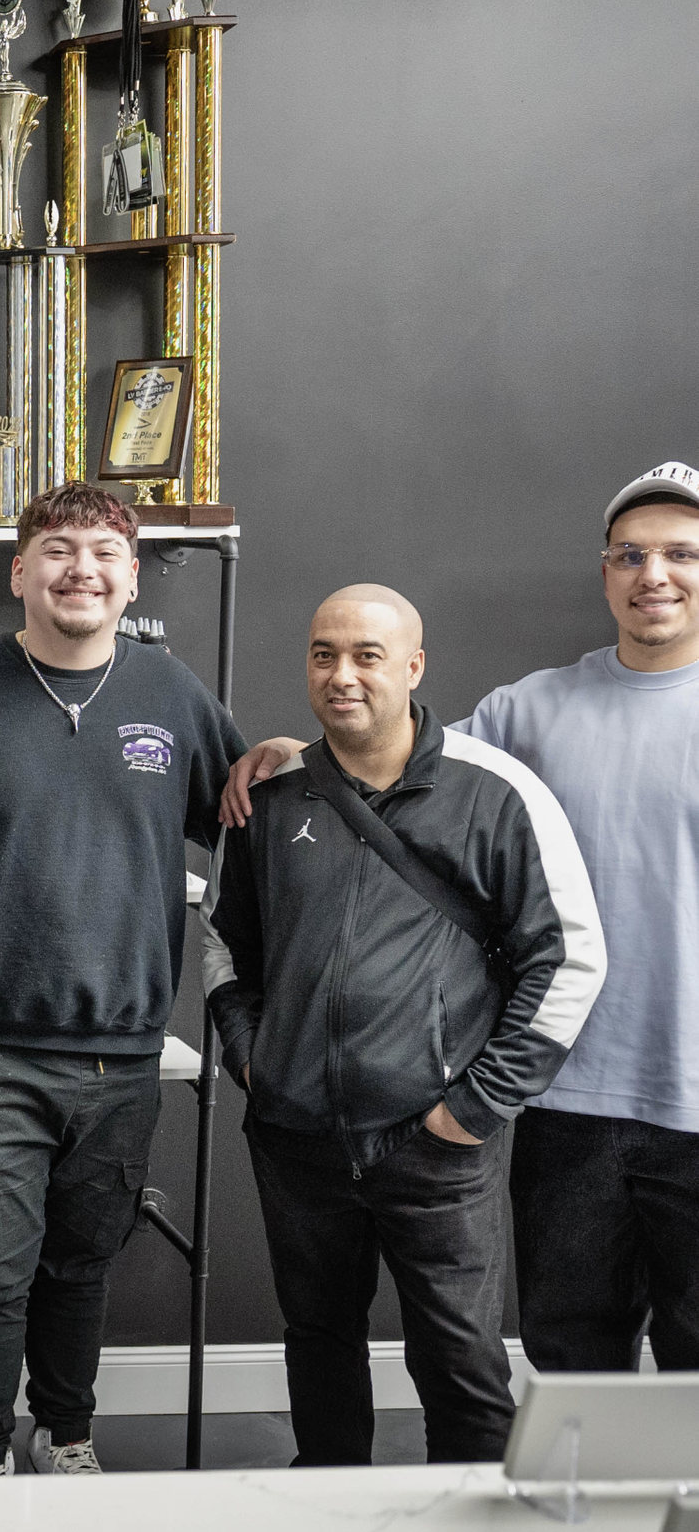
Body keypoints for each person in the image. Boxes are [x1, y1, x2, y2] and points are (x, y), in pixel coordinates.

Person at [225, 462, 699, 1373]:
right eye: (632, 554)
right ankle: (579, 1523)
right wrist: (295, 753)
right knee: (572, 1354)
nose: (654, 574)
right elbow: (393, 764)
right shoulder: (528, 712)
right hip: (566, 1102)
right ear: (605, 570)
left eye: (680, 553)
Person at [204, 584, 604, 1463]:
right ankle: (326, 1499)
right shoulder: (273, 797)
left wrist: (471, 1108)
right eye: (323, 654)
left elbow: (570, 957)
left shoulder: (497, 793)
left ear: (415, 666)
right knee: (317, 1344)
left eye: (366, 655)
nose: (341, 675)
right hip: (296, 1137)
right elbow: (226, 946)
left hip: (436, 1145)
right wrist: (253, 1061)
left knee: (460, 1363)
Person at [0, 484, 243, 1476]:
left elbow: (244, 813)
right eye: (56, 549)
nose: (80, 568)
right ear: (20, 571)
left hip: (122, 1053)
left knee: (79, 1265)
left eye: (103, 551)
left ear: (131, 575)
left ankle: (67, 1441)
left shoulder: (170, 691)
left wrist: (272, 759)